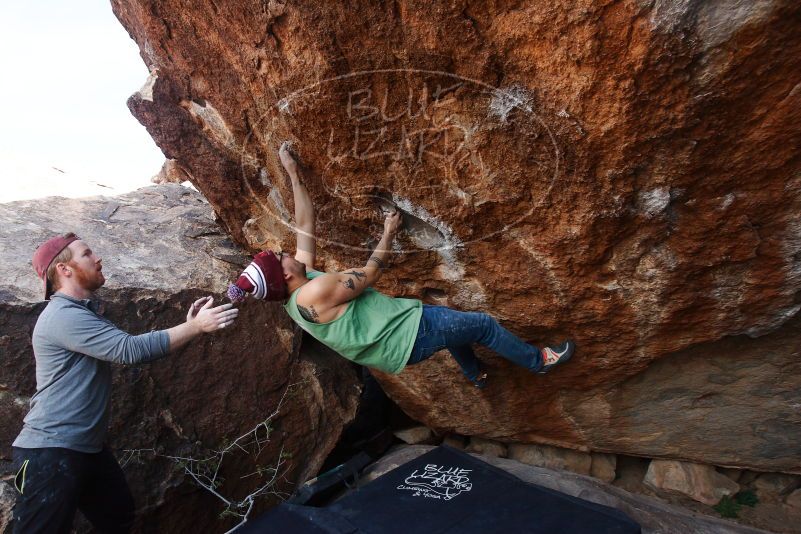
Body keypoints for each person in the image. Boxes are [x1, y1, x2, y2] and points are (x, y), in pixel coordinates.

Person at [228, 143, 574, 388]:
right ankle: (538, 362)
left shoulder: (294, 294)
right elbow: (372, 271)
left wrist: (292, 172)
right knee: (481, 325)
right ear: (285, 274)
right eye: (280, 257)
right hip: (408, 334)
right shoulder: (315, 290)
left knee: (453, 326)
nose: (286, 252)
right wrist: (388, 232)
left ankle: (475, 375)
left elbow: (305, 223)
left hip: (399, 339)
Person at [11, 233, 239, 534]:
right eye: (87, 254)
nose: (97, 258)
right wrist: (195, 326)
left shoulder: (82, 314)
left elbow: (128, 345)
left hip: (85, 449)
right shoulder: (62, 317)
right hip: (50, 451)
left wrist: (189, 326)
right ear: (64, 270)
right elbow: (130, 350)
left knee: (117, 516)